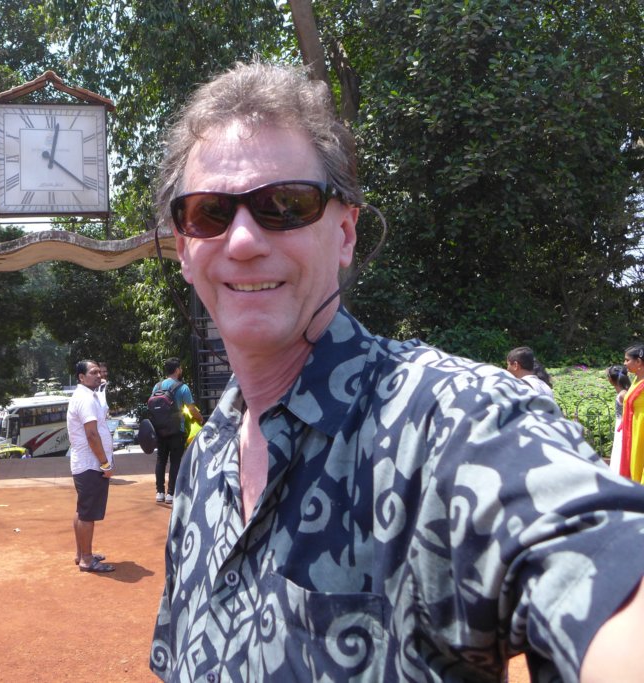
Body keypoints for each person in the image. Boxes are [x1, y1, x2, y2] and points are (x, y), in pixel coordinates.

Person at [149, 61, 644, 682]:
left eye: (285, 204)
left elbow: (597, 558)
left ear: (345, 233)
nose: (243, 240)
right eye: (209, 213)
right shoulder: (204, 461)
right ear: (185, 249)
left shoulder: (452, 422)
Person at [66, 359, 115, 573]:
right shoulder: (85, 399)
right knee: (87, 514)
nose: (98, 375)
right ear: (81, 377)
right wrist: (105, 463)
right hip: (90, 464)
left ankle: (82, 553)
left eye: (99, 372)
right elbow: (92, 435)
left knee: (83, 510)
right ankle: (86, 559)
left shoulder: (88, 395)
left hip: (86, 463)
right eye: (93, 372)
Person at [151, 357, 203, 503]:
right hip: (176, 430)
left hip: (160, 429)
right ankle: (170, 494)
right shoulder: (183, 387)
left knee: (161, 460)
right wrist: (200, 418)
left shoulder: (157, 386)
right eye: (180, 368)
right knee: (175, 461)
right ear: (177, 370)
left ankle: (159, 492)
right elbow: (191, 409)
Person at [620, 345, 644, 482]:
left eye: (627, 360)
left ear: (638, 362)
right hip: (635, 429)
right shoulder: (636, 380)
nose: (624, 363)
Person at [608, 364, 631, 474]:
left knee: (621, 450)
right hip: (620, 425)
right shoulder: (622, 393)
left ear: (611, 380)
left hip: (623, 426)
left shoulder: (623, 394)